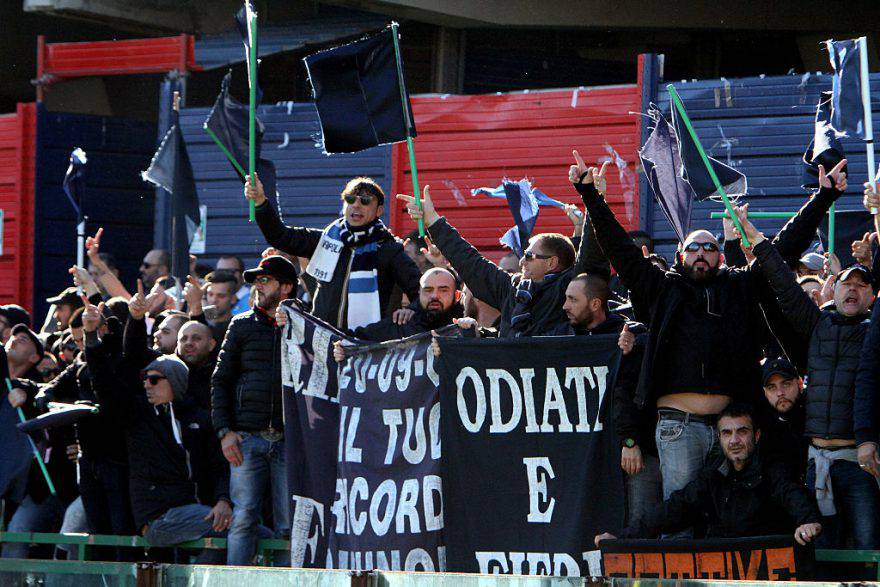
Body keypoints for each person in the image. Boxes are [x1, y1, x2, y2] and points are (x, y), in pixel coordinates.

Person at [572, 150, 847, 535]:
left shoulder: (739, 286)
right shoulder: (661, 289)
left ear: (721, 255)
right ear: (679, 255)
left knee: (728, 523)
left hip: (731, 428)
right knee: (681, 520)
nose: (702, 253)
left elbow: (782, 250)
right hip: (678, 430)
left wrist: (823, 197)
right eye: (693, 248)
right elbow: (621, 251)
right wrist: (591, 198)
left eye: (710, 247)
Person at [740, 208, 879, 549]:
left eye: (862, 286)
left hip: (859, 462)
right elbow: (785, 288)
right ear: (835, 289)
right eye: (847, 282)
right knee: (822, 551)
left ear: (872, 297)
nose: (853, 290)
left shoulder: (874, 334)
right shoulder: (817, 325)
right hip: (816, 462)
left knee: (868, 545)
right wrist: (755, 239)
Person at [595, 403, 822, 545]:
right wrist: (622, 539)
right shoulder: (713, 475)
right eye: (727, 433)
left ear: (757, 436)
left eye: (742, 432)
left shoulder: (771, 468)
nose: (734, 440)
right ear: (719, 438)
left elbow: (791, 492)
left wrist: (808, 521)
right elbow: (676, 507)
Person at [398, 184, 592, 337]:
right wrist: (432, 220)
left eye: (530, 256)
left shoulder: (571, 292)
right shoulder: (512, 288)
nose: (522, 261)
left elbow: (593, 257)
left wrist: (592, 195)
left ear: (552, 263)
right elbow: (471, 263)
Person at [247, 175, 421, 331]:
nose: (356, 205)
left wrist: (409, 311)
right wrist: (261, 202)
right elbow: (280, 237)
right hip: (324, 345)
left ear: (379, 210)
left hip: (368, 349)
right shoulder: (324, 240)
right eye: (350, 199)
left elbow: (421, 292)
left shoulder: (388, 249)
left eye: (365, 201)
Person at [212, 256, 296, 566]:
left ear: (286, 287)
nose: (258, 285)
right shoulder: (241, 324)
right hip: (246, 438)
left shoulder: (304, 325)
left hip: (290, 441)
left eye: (266, 280)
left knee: (291, 525)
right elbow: (220, 382)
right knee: (244, 518)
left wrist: (298, 327)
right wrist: (224, 432)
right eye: (256, 280)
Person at [758, 357, 808, 480]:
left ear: (800, 384)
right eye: (772, 387)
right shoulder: (763, 428)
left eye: (786, 384)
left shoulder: (815, 415)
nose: (780, 392)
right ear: (765, 392)